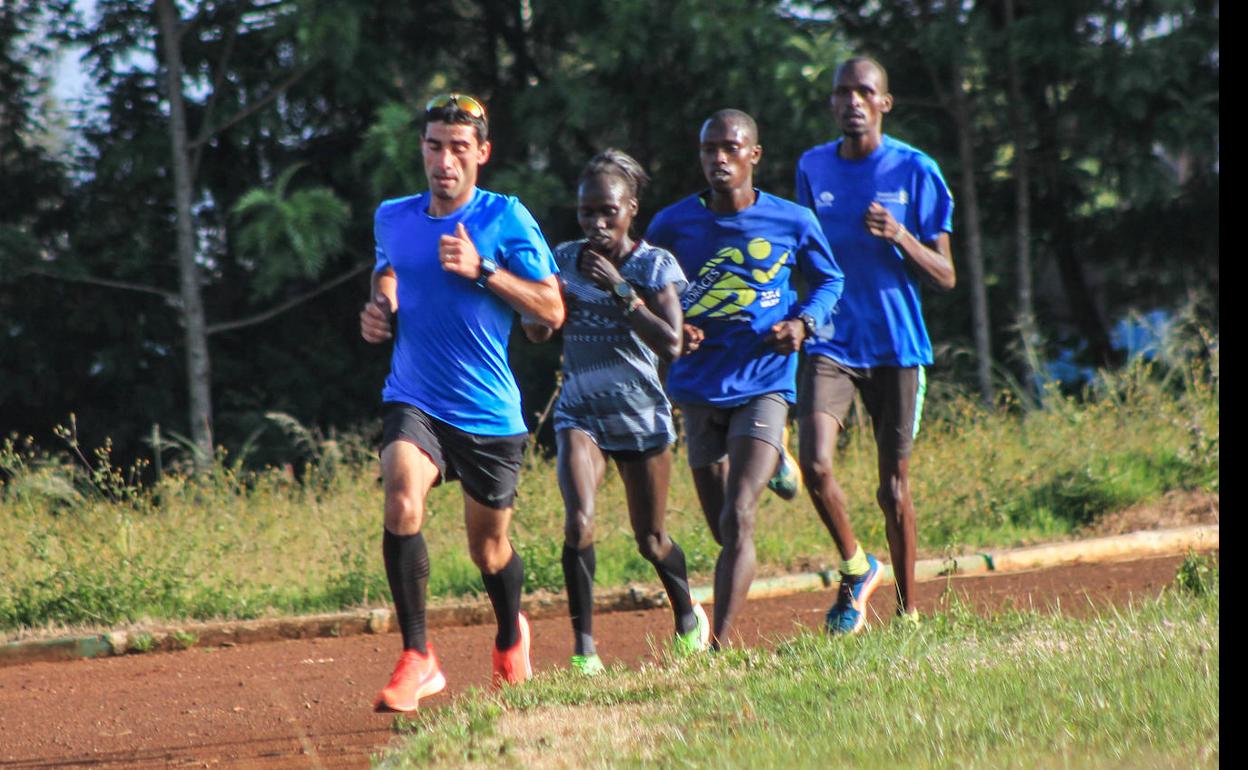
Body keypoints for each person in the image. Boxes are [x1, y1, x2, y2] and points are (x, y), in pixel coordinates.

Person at [359, 93, 565, 712]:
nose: (444, 160)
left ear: (481, 154)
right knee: (401, 496)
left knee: (489, 550)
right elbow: (388, 268)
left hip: (489, 415)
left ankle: (510, 635)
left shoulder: (506, 218)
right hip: (415, 396)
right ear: (421, 149)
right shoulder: (393, 216)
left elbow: (551, 309)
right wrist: (383, 303)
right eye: (433, 146)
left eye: (457, 148)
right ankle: (419, 657)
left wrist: (482, 271)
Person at [645, 109, 844, 648]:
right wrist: (671, 328)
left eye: (731, 149)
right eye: (710, 149)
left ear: (754, 155)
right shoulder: (671, 225)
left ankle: (721, 647)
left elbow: (830, 279)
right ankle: (778, 458)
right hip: (698, 388)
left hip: (765, 380)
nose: (719, 159)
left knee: (740, 514)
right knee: (722, 530)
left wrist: (802, 323)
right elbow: (645, 288)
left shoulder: (793, 220)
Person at [523, 149, 709, 675]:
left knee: (651, 540)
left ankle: (688, 614)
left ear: (631, 209)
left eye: (608, 212)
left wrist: (619, 288)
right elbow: (540, 326)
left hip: (643, 418)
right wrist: (536, 319)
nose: (597, 224)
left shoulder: (655, 265)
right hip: (580, 413)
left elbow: (671, 343)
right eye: (587, 213)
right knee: (578, 523)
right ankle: (585, 652)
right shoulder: (562, 258)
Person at [794, 57, 956, 634]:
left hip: (896, 346)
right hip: (831, 342)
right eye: (842, 92)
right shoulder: (812, 167)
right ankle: (858, 567)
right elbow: (803, 256)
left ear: (885, 102)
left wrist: (901, 235)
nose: (853, 101)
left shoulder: (917, 169)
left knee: (893, 488)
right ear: (832, 103)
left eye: (865, 91)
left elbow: (946, 275)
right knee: (813, 462)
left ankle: (909, 614)